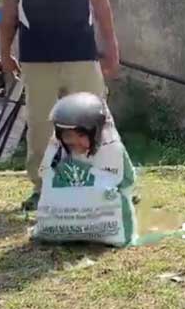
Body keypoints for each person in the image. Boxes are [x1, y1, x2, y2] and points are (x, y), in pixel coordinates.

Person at [0, 0, 120, 211]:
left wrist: (112, 47)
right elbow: (9, 7)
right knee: (41, 126)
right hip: (36, 56)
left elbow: (100, 1)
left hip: (81, 54)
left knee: (96, 121)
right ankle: (43, 189)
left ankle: (109, 181)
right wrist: (4, 53)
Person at [32, 92, 138, 247]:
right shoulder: (57, 150)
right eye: (69, 138)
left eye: (81, 136)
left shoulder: (112, 151)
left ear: (96, 132)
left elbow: (127, 182)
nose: (76, 144)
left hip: (105, 220)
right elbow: (47, 178)